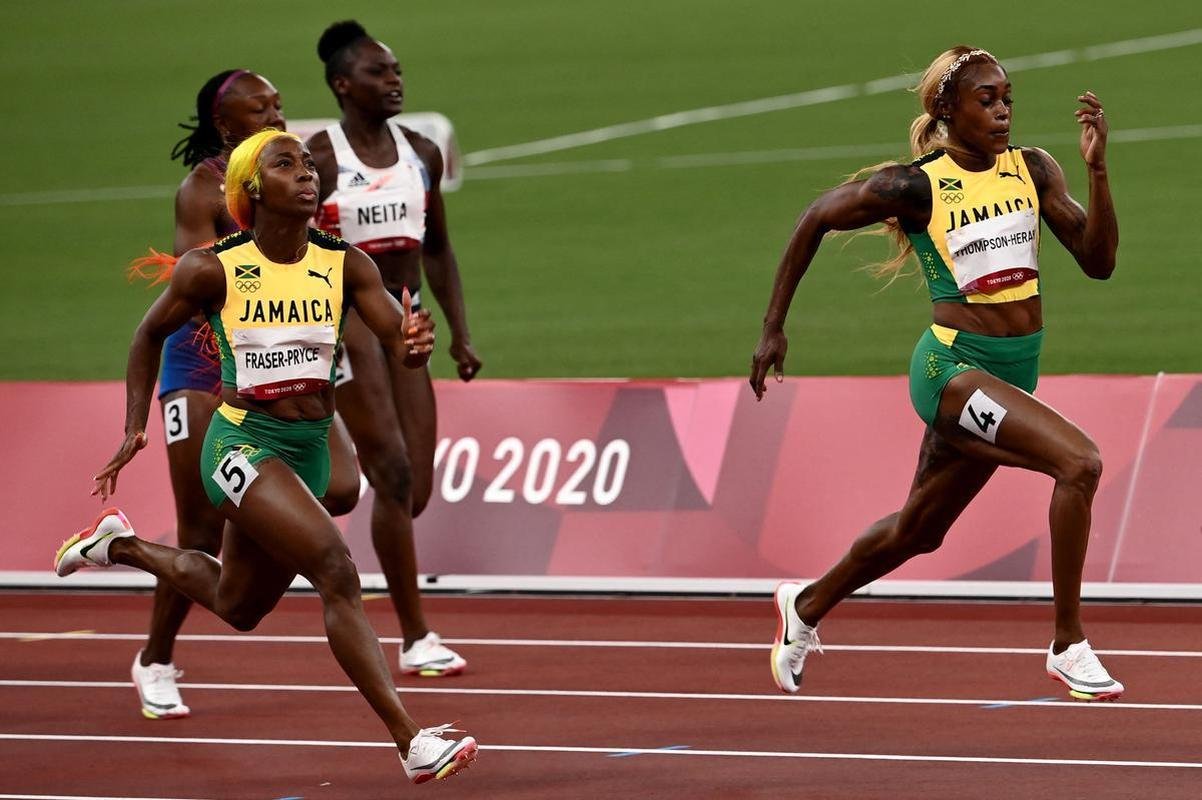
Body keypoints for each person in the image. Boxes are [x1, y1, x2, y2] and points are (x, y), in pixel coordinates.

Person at [56, 129, 478, 782]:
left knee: (239, 606)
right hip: (243, 443)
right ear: (253, 190)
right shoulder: (214, 268)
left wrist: (416, 344)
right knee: (336, 569)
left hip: (311, 444)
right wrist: (134, 427)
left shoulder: (346, 265)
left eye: (309, 164)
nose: (307, 172)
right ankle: (412, 741)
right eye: (287, 165)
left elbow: (399, 341)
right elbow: (146, 338)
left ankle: (123, 548)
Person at [749, 47, 1122, 701]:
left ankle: (805, 606)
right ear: (948, 111)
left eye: (1008, 96)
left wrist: (1097, 172)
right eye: (987, 99)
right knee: (1079, 463)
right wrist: (773, 326)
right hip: (950, 370)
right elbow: (816, 216)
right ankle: (1069, 644)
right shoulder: (915, 185)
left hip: (1008, 379)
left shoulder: (1032, 169)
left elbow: (1098, 262)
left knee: (918, 531)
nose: (1003, 109)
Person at [126, 70, 361, 721]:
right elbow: (194, 283)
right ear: (226, 127)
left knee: (341, 486)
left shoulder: (293, 172)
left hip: (279, 356)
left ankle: (259, 527)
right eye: (259, 111)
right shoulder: (202, 188)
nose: (275, 117)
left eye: (279, 106)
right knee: (199, 528)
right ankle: (156, 658)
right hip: (208, 363)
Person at [307, 20, 481, 676]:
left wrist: (461, 332)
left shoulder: (420, 153)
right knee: (393, 473)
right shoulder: (320, 159)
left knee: (416, 489)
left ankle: (293, 504)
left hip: (407, 323)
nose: (395, 81)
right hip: (345, 325)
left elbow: (437, 248)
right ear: (343, 84)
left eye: (398, 70)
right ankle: (415, 636)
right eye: (380, 73)